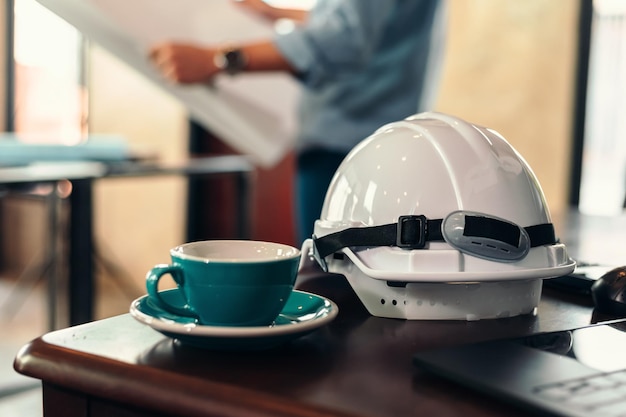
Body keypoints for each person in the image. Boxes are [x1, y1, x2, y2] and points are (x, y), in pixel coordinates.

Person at [149, 0, 448, 244]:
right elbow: (370, 23)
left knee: (330, 289)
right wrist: (277, 14)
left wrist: (217, 59)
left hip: (345, 147)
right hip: (370, 139)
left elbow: (345, 38)